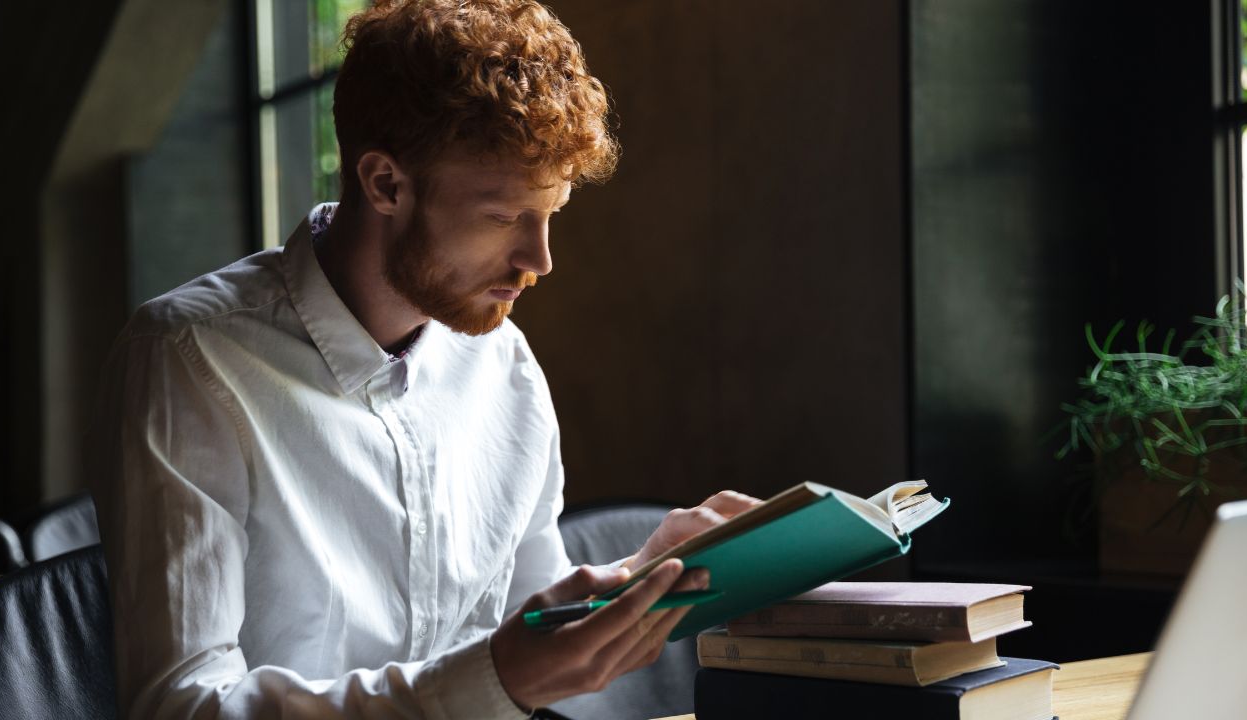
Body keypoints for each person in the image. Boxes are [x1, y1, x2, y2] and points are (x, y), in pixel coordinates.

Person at [91, 1, 759, 717]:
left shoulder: (503, 366)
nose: (540, 260)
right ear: (384, 184)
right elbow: (180, 705)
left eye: (552, 213)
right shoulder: (190, 360)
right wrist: (496, 680)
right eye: (503, 218)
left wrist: (643, 576)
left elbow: (523, 636)